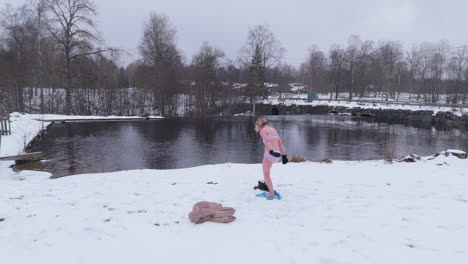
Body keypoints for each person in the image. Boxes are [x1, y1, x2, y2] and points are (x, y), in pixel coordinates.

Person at [255, 118, 288, 198]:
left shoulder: (262, 131)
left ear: (259, 125)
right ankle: (267, 186)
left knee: (266, 175)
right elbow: (280, 143)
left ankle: (271, 194)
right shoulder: (273, 129)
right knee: (267, 174)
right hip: (278, 154)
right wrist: (284, 156)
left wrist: (271, 150)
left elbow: (267, 141)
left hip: (270, 154)